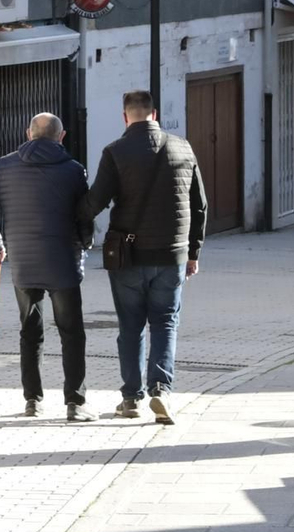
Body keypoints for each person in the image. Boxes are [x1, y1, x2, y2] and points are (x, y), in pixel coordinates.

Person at [80, 89, 207, 424]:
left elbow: (96, 202)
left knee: (131, 326)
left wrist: (69, 220)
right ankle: (161, 391)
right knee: (165, 322)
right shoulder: (183, 147)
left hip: (129, 255)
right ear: (154, 115)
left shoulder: (115, 151)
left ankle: (131, 398)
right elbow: (200, 205)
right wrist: (193, 251)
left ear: (126, 117)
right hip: (172, 254)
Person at [0, 113, 96, 422]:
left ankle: (33, 401)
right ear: (61, 136)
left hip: (23, 264)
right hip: (63, 262)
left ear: (28, 133)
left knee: (30, 331)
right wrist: (85, 241)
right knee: (72, 333)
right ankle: (75, 403)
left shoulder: (3, 167)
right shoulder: (74, 171)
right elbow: (84, 215)